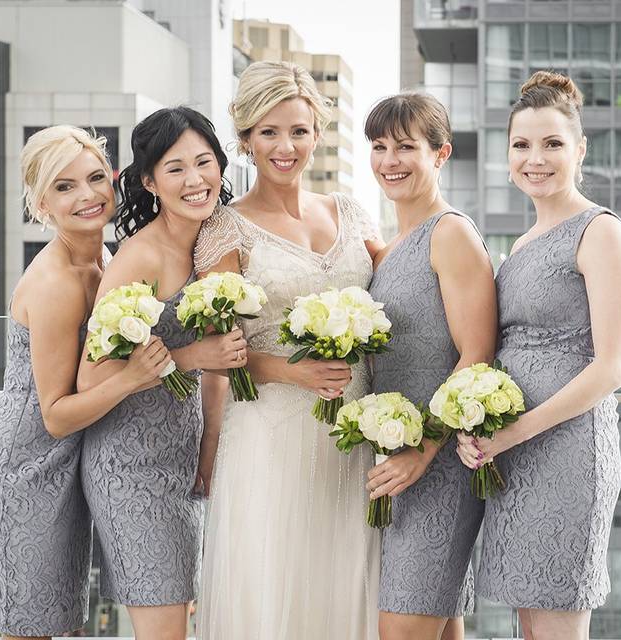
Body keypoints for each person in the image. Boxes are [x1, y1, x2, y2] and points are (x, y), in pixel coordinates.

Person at [193, 61, 383, 640]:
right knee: (276, 579)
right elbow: (212, 349)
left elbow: (403, 289)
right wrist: (288, 371)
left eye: (299, 131)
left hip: (355, 432)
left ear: (317, 136)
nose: (286, 146)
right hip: (269, 433)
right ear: (245, 138)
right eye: (269, 132)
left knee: (350, 576)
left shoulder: (349, 211)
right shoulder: (227, 228)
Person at [456, 71, 621, 640]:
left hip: (566, 453)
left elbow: (612, 367)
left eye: (553, 144)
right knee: (530, 624)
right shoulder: (526, 241)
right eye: (522, 145)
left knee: (558, 623)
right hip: (514, 454)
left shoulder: (601, 231)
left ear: (580, 150)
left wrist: (512, 433)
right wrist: (480, 424)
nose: (535, 158)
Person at [0, 125, 172, 639]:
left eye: (94, 178)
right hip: (25, 465)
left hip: (67, 464)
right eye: (64, 187)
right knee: (29, 627)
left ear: (114, 179)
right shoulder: (57, 281)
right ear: (41, 205)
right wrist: (130, 378)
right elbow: (56, 414)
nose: (87, 196)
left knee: (63, 622)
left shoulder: (104, 260)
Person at [76, 107, 245, 640]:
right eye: (175, 169)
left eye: (204, 162)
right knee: (164, 626)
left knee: (181, 618)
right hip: (131, 463)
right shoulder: (139, 257)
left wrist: (209, 447)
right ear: (149, 181)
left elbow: (218, 365)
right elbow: (90, 378)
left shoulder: (210, 243)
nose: (195, 180)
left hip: (182, 452)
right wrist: (191, 359)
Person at [365, 93, 496, 640]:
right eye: (378, 146)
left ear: (441, 154)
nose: (389, 160)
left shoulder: (452, 233)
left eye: (405, 146)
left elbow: (476, 355)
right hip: (396, 463)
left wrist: (423, 449)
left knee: (403, 627)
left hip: (436, 463)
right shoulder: (390, 248)